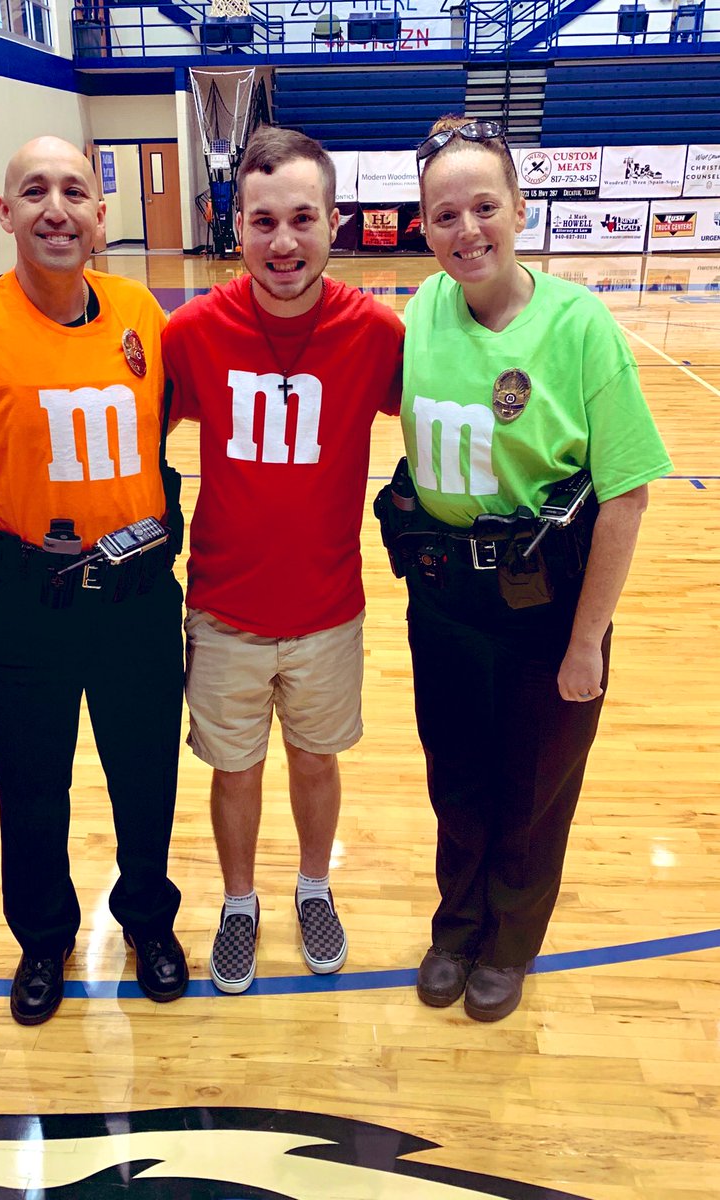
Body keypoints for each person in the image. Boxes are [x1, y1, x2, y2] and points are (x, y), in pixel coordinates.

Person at [0, 136, 188, 1024]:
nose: (55, 209)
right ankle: (44, 939)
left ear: (102, 214)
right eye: (33, 192)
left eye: (74, 192)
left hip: (136, 597)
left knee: (147, 777)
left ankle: (148, 921)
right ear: (4, 212)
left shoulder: (143, 315)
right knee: (29, 787)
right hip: (23, 603)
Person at [392, 116, 672, 1022]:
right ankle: (456, 925)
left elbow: (625, 493)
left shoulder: (580, 324)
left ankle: (509, 942)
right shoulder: (420, 312)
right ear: (423, 227)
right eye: (445, 214)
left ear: (519, 208)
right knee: (456, 774)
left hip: (547, 604)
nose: (467, 229)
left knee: (534, 784)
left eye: (484, 207)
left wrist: (587, 640)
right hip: (443, 600)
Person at [162, 127, 404, 994]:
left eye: (303, 218)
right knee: (235, 769)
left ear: (334, 221)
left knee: (316, 760)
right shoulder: (190, 333)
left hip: (330, 608)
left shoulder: (378, 333)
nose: (284, 242)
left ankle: (313, 885)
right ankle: (237, 902)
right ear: (237, 229)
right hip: (223, 605)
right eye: (263, 221)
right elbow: (138, 439)